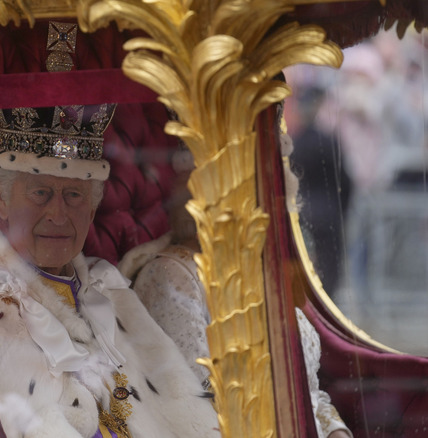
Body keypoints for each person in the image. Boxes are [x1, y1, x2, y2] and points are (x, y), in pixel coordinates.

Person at [0, 104, 220, 437]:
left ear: (92, 208)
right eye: (40, 193)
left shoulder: (109, 289)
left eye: (74, 194)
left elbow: (185, 415)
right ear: (1, 199)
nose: (58, 214)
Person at [121, 131, 352, 438]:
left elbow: (309, 394)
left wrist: (336, 432)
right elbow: (198, 411)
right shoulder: (172, 277)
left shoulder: (266, 271)